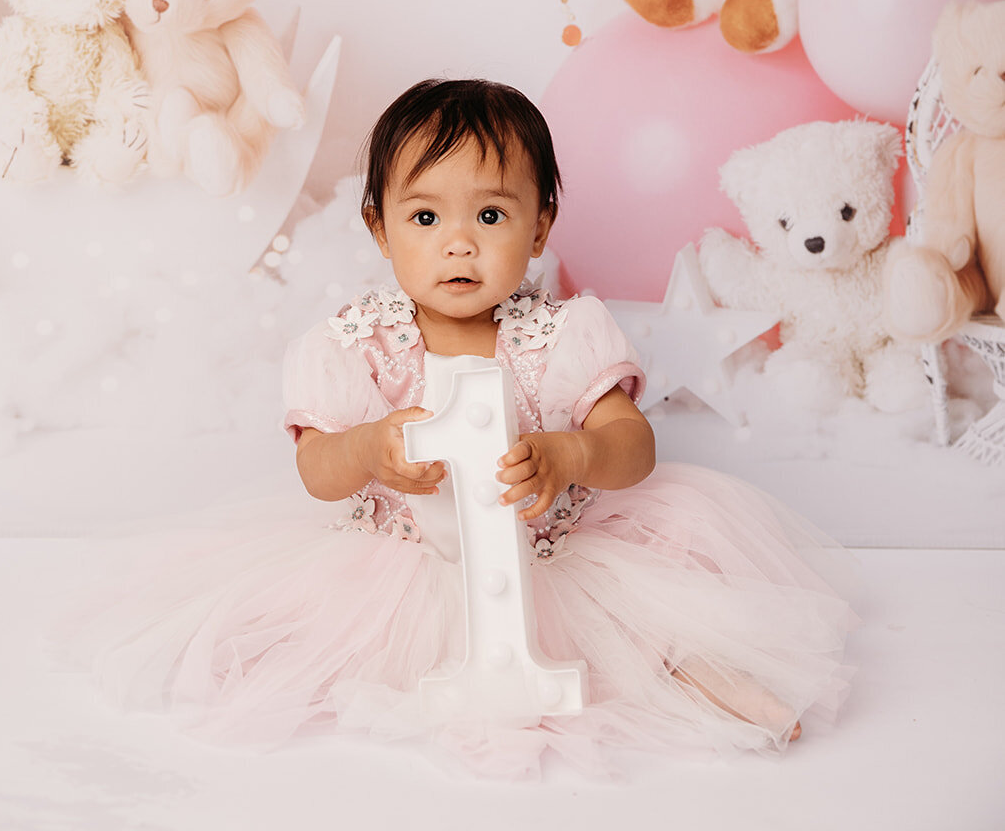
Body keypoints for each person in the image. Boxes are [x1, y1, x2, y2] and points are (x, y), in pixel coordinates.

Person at [86, 77, 857, 779]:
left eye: (490, 214)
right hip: (397, 561)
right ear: (379, 229)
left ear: (541, 226)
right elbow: (316, 471)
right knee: (305, 647)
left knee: (631, 630)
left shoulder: (563, 334)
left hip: (555, 554)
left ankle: (706, 682)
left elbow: (634, 449)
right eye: (424, 216)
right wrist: (366, 448)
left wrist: (574, 452)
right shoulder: (355, 344)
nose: (459, 242)